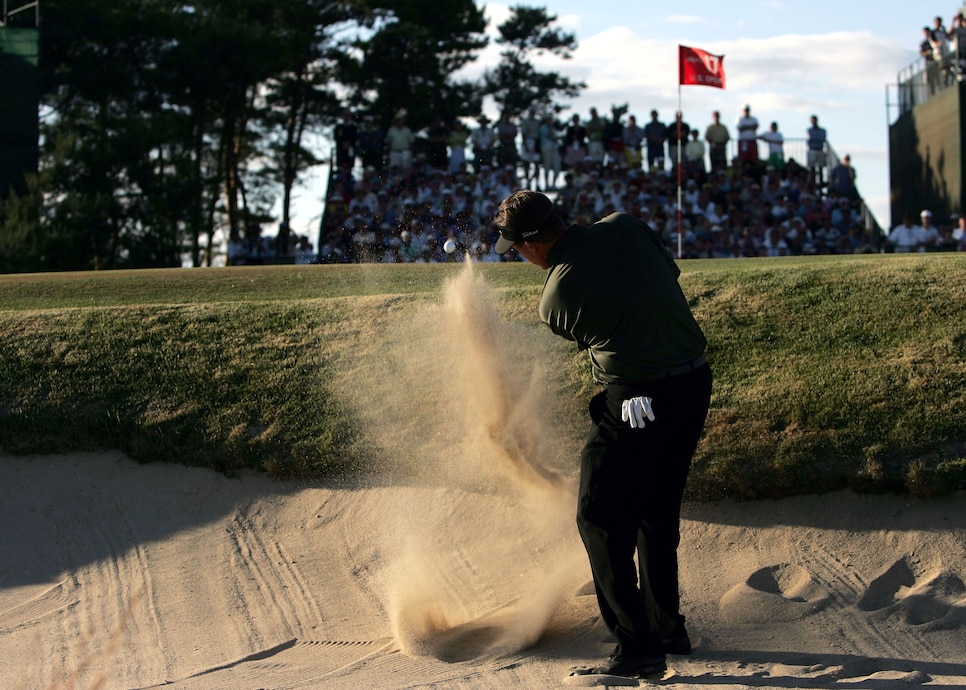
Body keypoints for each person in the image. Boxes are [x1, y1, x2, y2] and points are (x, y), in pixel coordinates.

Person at [492, 190, 712, 680]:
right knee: (655, 510)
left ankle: (636, 648)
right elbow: (665, 278)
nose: (521, 258)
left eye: (518, 248)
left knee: (598, 517)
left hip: (637, 399)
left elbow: (589, 337)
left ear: (531, 244)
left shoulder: (557, 296)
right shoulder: (626, 225)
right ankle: (666, 628)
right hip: (695, 383)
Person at [806, 115, 827, 187]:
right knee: (812, 167)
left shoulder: (822, 130)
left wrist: (814, 140)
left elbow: (822, 139)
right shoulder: (809, 130)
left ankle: (821, 181)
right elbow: (809, 141)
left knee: (821, 167)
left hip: (820, 149)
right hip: (812, 149)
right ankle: (812, 181)